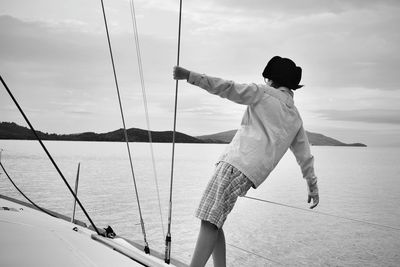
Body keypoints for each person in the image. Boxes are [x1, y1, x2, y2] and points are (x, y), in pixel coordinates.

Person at [173, 56, 319, 267]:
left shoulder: (263, 93)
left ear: (272, 79)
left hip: (235, 163)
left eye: (267, 78)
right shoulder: (295, 116)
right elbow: (304, 155)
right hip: (249, 174)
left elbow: (228, 88)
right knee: (214, 220)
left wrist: (189, 76)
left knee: (209, 220)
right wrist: (312, 186)